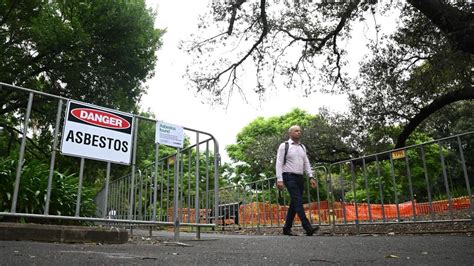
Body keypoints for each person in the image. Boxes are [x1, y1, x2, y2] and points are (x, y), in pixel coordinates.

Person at [276, 125, 319, 236]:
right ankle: (307, 227)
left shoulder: (302, 147)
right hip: (288, 176)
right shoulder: (284, 146)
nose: (299, 132)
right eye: (296, 131)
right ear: (290, 133)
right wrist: (279, 179)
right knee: (298, 201)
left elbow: (306, 163)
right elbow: (279, 163)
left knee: (294, 203)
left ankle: (286, 228)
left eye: (300, 131)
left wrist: (311, 177)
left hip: (300, 177)